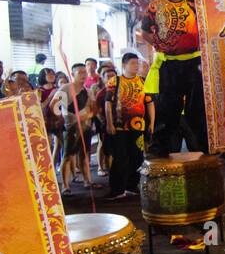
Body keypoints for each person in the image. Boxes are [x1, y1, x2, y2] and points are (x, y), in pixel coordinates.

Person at [143, 0, 207, 157]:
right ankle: (160, 147)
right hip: (169, 63)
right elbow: (145, 31)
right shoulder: (155, 6)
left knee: (197, 107)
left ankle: (203, 145)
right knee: (166, 106)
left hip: (194, 63)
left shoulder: (195, 4)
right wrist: (159, 43)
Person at [106, 53, 152, 201]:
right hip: (120, 126)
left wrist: (151, 122)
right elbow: (108, 104)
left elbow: (149, 103)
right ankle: (117, 189)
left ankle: (132, 186)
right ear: (124, 65)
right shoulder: (115, 81)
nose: (136, 66)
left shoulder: (143, 81)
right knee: (120, 157)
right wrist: (109, 122)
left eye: (137, 63)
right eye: (133, 63)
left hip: (138, 126)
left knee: (137, 157)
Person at [51, 63, 96, 194]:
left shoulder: (88, 91)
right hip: (70, 127)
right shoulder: (65, 89)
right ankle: (65, 185)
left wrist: (88, 115)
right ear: (73, 74)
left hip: (86, 126)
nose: (83, 75)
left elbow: (94, 108)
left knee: (85, 154)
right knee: (68, 155)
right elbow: (54, 106)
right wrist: (64, 118)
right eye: (80, 72)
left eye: (84, 72)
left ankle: (87, 180)